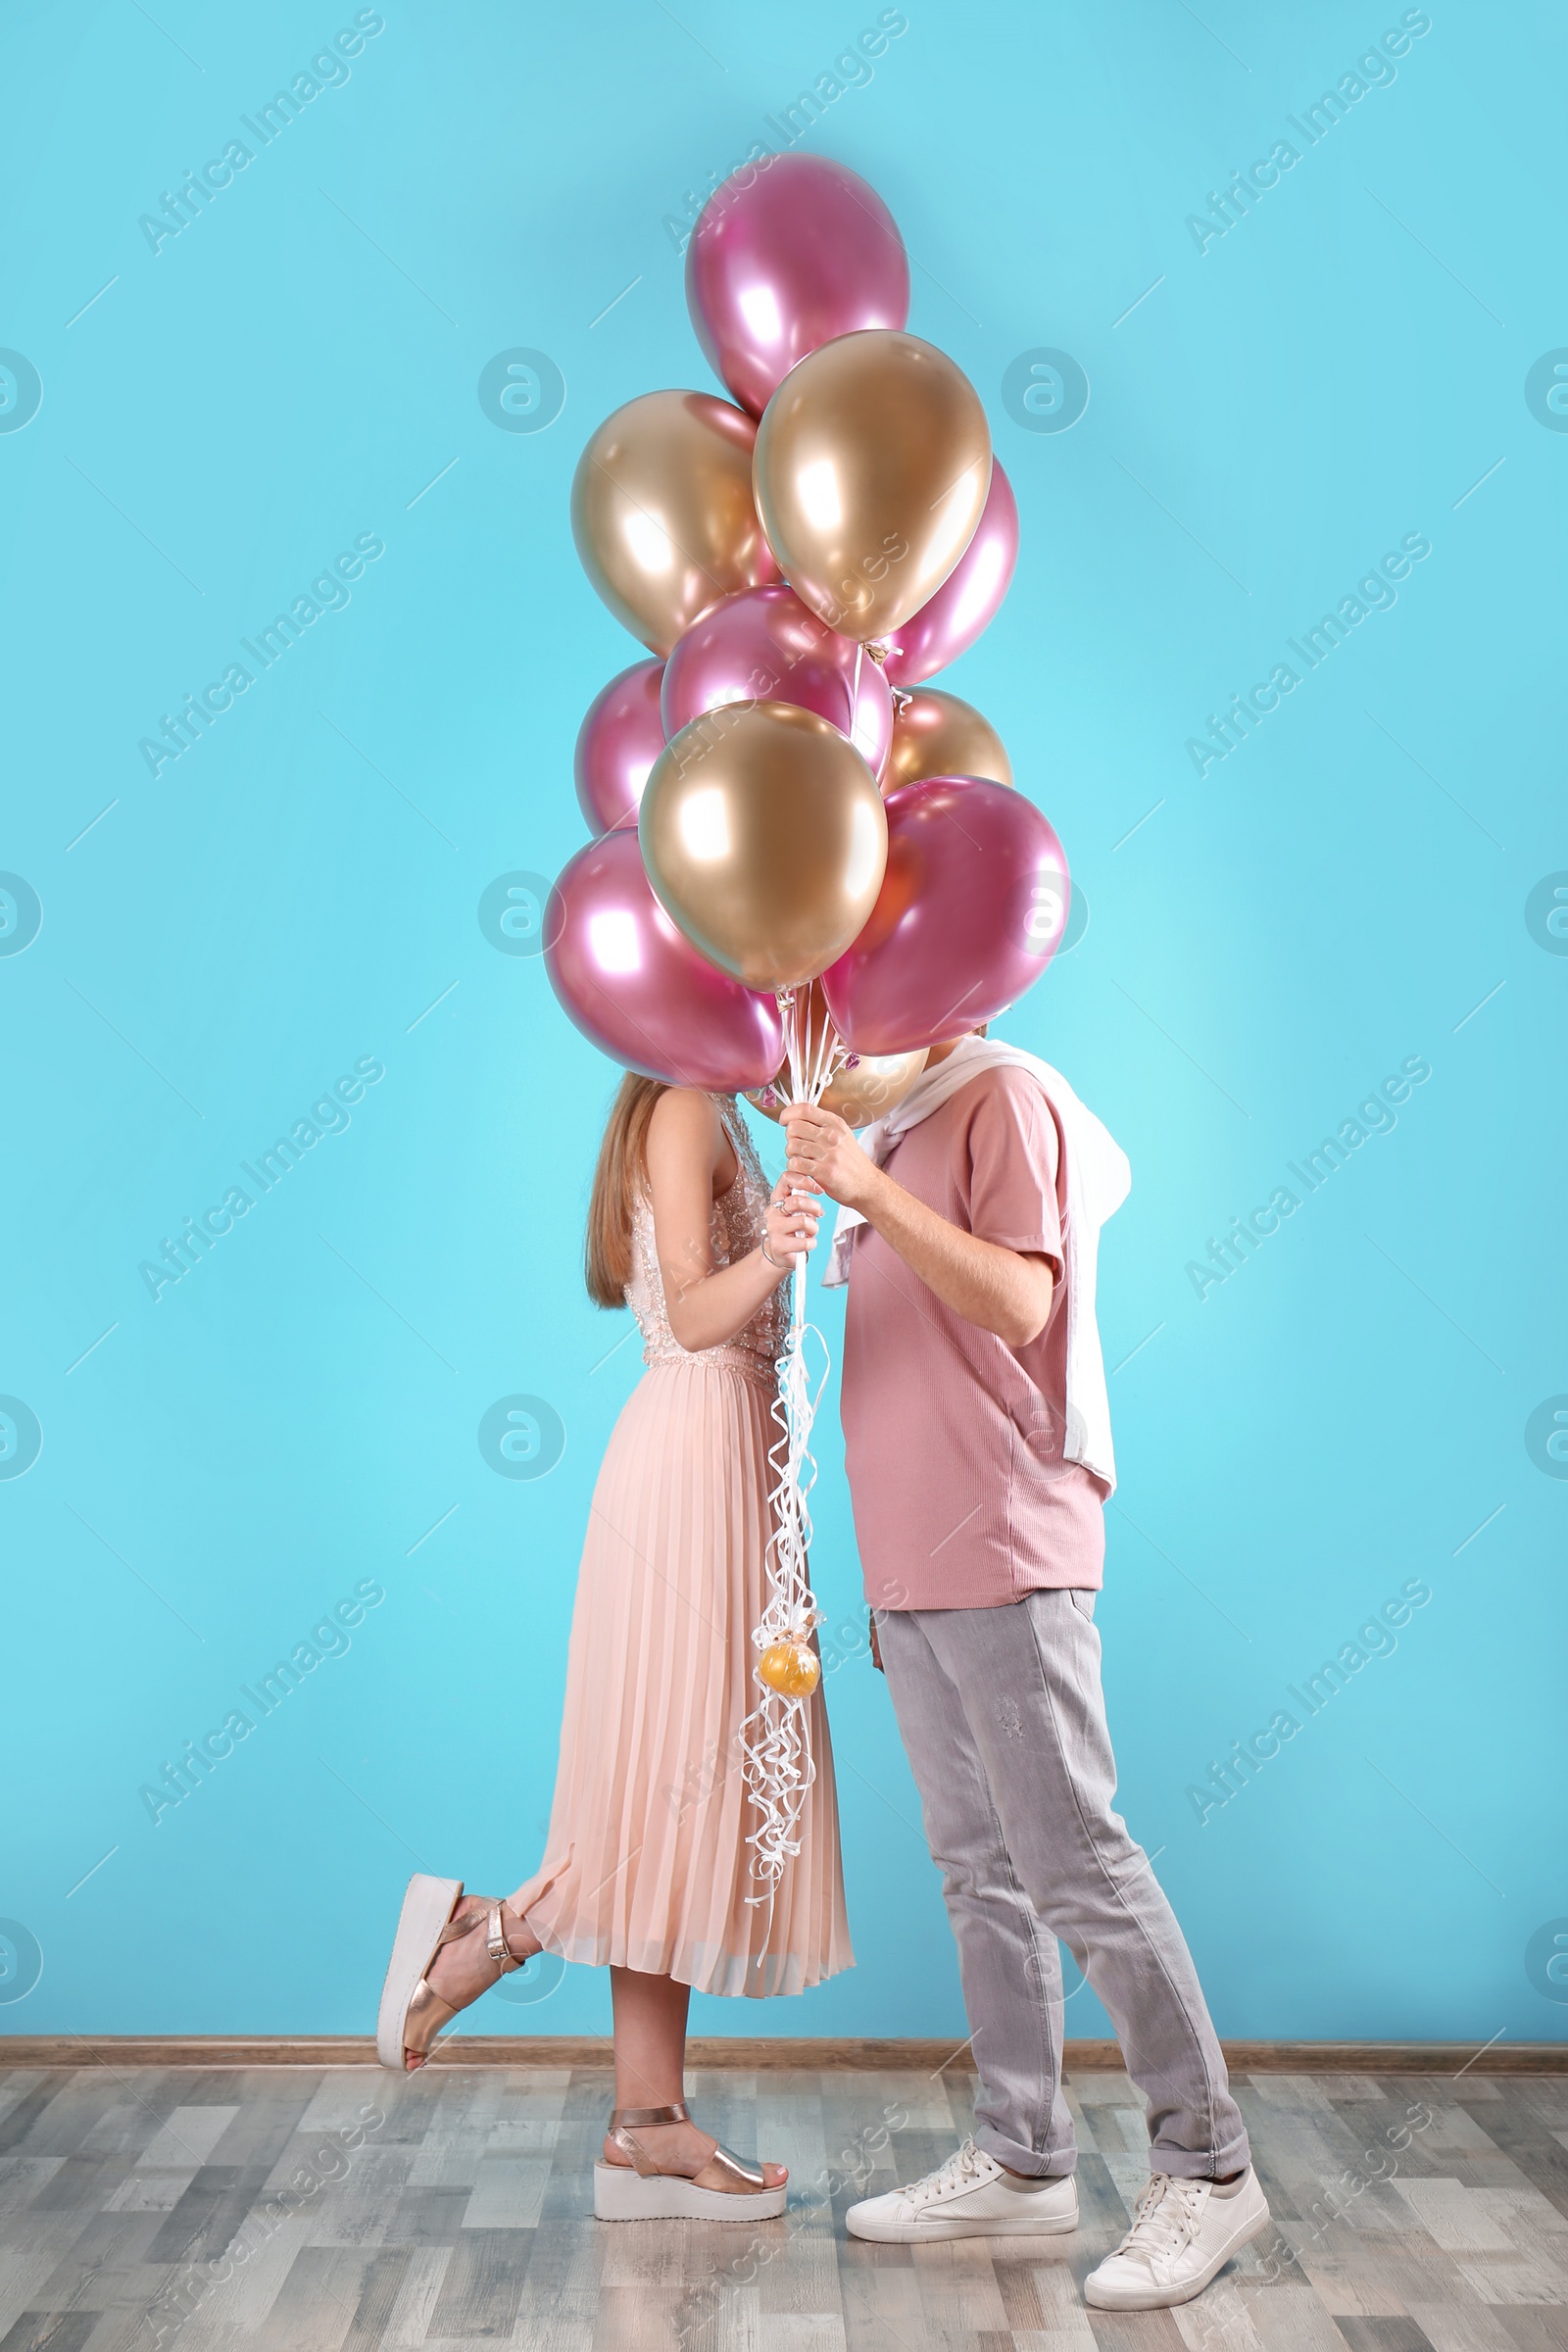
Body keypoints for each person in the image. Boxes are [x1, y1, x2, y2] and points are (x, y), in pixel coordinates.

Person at [782, 1030, 1269, 2312]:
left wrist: (869, 1194)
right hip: (909, 1562)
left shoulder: (1004, 1093)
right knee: (978, 1872)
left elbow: (1023, 1301)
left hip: (1005, 1543)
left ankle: (1210, 2167)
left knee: (1076, 1863)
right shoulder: (890, 1117)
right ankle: (1021, 2154)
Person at [377, 1078, 852, 2222]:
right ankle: (479, 1943)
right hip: (691, 1463)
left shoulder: (725, 1109)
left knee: (683, 1804)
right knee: (670, 1797)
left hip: (731, 1458)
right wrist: (784, 1244)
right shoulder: (685, 1104)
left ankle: (647, 2123)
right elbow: (692, 1315)